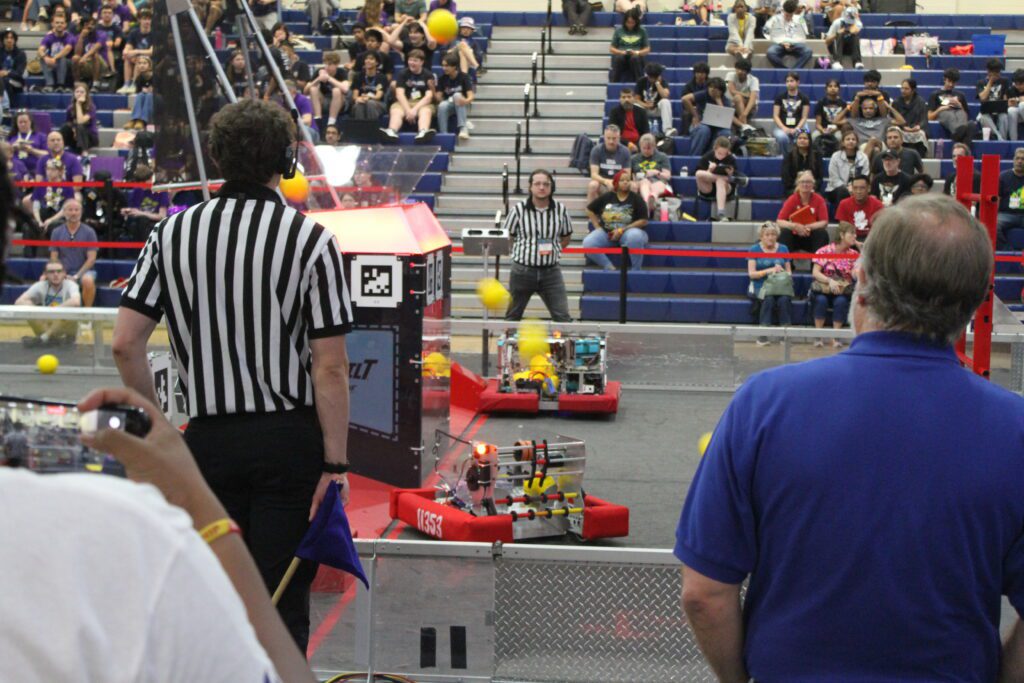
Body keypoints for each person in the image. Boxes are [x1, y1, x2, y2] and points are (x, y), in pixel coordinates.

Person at [677, 193, 1024, 681]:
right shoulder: (1015, 429)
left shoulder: (764, 404)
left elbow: (704, 594)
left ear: (861, 281)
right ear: (975, 300)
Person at [112, 98, 354, 652]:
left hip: (210, 442)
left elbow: (126, 345)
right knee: (278, 607)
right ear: (286, 160)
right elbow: (331, 366)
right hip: (287, 444)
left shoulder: (170, 236)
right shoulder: (311, 240)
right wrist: (335, 464)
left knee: (210, 599)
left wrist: (165, 437)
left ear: (217, 158)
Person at [503, 169, 574, 322]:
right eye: (537, 184)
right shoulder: (518, 210)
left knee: (563, 317)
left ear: (551, 187)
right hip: (522, 271)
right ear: (530, 187)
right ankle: (505, 346)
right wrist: (523, 251)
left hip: (551, 273)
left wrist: (554, 250)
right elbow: (508, 237)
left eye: (546, 184)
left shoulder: (561, 210)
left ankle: (564, 346)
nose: (542, 187)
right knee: (512, 316)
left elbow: (566, 237)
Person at [584, 169, 649, 271]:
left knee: (635, 236)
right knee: (588, 242)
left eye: (628, 180)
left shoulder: (636, 198)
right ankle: (609, 267)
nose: (625, 182)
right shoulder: (607, 197)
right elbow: (589, 210)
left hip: (628, 232)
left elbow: (644, 220)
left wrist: (622, 230)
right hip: (607, 233)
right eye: (622, 180)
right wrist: (597, 226)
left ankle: (636, 270)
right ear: (616, 183)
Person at [808, 221, 857, 347]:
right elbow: (815, 272)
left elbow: (855, 275)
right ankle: (818, 336)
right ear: (841, 235)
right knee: (821, 300)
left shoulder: (853, 255)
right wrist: (830, 281)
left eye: (855, 234)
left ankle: (836, 337)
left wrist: (862, 253)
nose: (855, 236)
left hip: (842, 290)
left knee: (841, 302)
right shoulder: (825, 251)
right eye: (851, 233)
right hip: (824, 287)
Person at [14, 259, 81, 347]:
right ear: (45, 274)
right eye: (51, 272)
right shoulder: (40, 285)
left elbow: (76, 301)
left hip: (66, 328)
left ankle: (45, 338)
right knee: (27, 307)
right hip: (47, 323)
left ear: (64, 273)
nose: (56, 274)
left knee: (69, 310)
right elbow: (18, 302)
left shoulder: (71, 285)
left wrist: (53, 311)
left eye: (59, 271)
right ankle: (51, 339)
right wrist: (38, 311)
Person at [48, 198, 98, 308]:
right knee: (45, 278)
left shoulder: (90, 232)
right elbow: (54, 258)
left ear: (81, 212)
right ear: (64, 212)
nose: (73, 213)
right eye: (70, 210)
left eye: (76, 210)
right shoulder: (56, 232)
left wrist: (76, 276)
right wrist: (62, 274)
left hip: (84, 272)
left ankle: (87, 315)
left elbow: (91, 259)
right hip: (63, 271)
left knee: (88, 280)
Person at [748, 222, 791, 341]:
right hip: (760, 285)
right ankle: (763, 334)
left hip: (780, 285)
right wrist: (769, 270)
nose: (770, 237)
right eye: (767, 234)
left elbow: (789, 272)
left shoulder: (783, 248)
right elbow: (752, 274)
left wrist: (782, 273)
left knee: (784, 300)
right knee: (769, 299)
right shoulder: (754, 249)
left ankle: (786, 334)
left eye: (773, 234)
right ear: (761, 236)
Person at [381, 48, 436, 142]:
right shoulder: (403, 73)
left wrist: (414, 110)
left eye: (415, 60)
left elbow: (428, 97)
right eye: (410, 60)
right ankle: (392, 131)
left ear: (422, 62)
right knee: (396, 111)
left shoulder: (428, 75)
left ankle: (423, 132)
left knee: (425, 111)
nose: (412, 63)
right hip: (405, 101)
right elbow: (399, 94)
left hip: (421, 103)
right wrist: (408, 110)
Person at [835, 96, 904, 161]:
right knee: (875, 150)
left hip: (881, 145)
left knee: (873, 140)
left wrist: (888, 107)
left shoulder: (883, 120)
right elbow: (836, 121)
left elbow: (901, 121)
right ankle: (871, 172)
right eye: (865, 108)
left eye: (871, 108)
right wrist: (849, 107)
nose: (868, 110)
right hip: (862, 147)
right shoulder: (855, 120)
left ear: (875, 109)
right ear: (861, 109)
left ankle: (861, 167)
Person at [777, 169, 829, 253]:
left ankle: (817, 265)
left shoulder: (819, 199)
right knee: (784, 233)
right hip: (794, 236)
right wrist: (795, 226)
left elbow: (824, 222)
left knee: (822, 233)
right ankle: (788, 265)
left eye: (808, 182)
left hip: (811, 235)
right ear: (798, 184)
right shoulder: (792, 199)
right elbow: (779, 221)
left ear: (813, 184)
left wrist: (807, 227)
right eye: (802, 182)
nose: (805, 184)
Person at [928, 68, 978, 146]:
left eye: (953, 82)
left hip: (958, 114)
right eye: (949, 81)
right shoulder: (935, 94)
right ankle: (959, 132)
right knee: (948, 115)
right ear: (944, 80)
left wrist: (960, 106)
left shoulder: (960, 95)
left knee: (964, 117)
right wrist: (941, 108)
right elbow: (929, 117)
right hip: (943, 113)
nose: (951, 84)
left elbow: (966, 116)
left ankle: (959, 134)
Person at [695, 136, 738, 223]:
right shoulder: (708, 156)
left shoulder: (731, 159)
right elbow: (699, 174)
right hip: (708, 188)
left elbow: (734, 179)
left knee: (721, 181)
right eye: (719, 153)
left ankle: (721, 213)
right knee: (698, 173)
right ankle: (720, 178)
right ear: (714, 149)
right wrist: (710, 170)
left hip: (725, 188)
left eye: (724, 154)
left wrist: (730, 173)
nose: (721, 157)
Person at [684, 76, 730, 156]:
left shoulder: (725, 100)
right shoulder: (703, 94)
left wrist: (718, 100)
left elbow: (725, 118)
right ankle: (694, 157)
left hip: (717, 128)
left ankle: (714, 158)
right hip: (701, 124)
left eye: (716, 88)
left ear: (721, 91)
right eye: (711, 87)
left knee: (726, 133)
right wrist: (695, 115)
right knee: (704, 130)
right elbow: (685, 99)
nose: (712, 89)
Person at [120, 163, 168, 240]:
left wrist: (141, 213)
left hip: (154, 223)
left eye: (144, 185)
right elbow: (135, 211)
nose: (143, 188)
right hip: (139, 223)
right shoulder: (137, 190)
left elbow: (162, 216)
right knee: (136, 223)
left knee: (143, 220)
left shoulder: (161, 191)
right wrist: (128, 212)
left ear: (151, 179)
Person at [587, 124, 631, 203]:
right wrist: (606, 181)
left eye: (614, 139)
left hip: (619, 182)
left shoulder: (625, 151)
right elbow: (593, 175)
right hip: (602, 183)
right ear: (604, 137)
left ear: (619, 138)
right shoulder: (596, 150)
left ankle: (629, 213)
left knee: (633, 186)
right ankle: (592, 213)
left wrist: (616, 183)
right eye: (608, 138)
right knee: (592, 185)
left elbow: (627, 174)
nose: (611, 141)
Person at [631, 133, 671, 214]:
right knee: (644, 182)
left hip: (658, 181)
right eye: (644, 148)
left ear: (654, 147)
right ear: (640, 147)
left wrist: (656, 172)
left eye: (649, 148)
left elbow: (667, 176)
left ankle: (652, 198)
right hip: (641, 181)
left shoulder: (662, 157)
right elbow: (630, 175)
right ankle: (647, 202)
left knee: (657, 185)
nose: (646, 151)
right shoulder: (634, 158)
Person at [825, 128, 868, 205]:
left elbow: (865, 175)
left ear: (857, 142)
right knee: (842, 192)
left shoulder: (863, 157)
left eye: (853, 139)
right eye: (848, 139)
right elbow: (834, 178)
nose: (851, 141)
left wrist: (855, 188)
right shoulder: (835, 156)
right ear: (843, 142)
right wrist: (847, 188)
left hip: (858, 188)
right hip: (836, 189)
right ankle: (841, 216)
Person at [764, 0, 811, 70]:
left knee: (808, 51)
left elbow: (805, 33)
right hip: (779, 44)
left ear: (794, 12)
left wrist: (792, 42)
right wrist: (782, 42)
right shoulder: (775, 19)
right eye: (786, 15)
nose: (788, 17)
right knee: (770, 52)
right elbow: (765, 31)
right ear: (783, 11)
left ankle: (795, 70)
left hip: (796, 44)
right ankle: (785, 70)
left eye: (790, 15)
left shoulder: (800, 19)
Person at [306, 51, 349, 128]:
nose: (326, 67)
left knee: (336, 90)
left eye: (329, 64)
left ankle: (331, 122)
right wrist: (318, 79)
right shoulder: (320, 71)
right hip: (324, 100)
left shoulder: (342, 72)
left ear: (336, 65)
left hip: (339, 101)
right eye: (325, 64)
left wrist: (329, 78)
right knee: (313, 89)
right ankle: (318, 118)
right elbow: (305, 91)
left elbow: (345, 89)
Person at [771, 71, 810, 155]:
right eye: (787, 81)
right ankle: (786, 157)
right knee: (782, 137)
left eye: (791, 81)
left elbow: (804, 117)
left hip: (799, 125)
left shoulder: (804, 98)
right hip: (782, 126)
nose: (789, 83)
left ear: (798, 82)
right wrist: (784, 128)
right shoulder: (780, 97)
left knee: (803, 137)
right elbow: (775, 115)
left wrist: (797, 128)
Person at [436, 52, 473, 139]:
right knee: (442, 105)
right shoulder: (442, 78)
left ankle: (463, 129)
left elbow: (471, 96)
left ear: (454, 66)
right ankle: (443, 134)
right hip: (450, 104)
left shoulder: (464, 77)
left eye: (447, 66)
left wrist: (465, 101)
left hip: (463, 104)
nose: (444, 68)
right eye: (443, 65)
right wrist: (433, 89)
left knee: (457, 95)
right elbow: (439, 98)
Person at [835, 173, 882, 241]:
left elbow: (879, 230)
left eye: (862, 188)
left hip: (870, 239)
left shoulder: (878, 205)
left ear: (869, 189)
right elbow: (843, 228)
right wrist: (855, 242)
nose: (858, 191)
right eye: (855, 188)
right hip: (850, 239)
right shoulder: (843, 204)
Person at [636, 62, 675, 138]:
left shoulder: (662, 82)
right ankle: (638, 130)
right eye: (651, 77)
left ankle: (667, 130)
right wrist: (646, 105)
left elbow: (665, 96)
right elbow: (636, 99)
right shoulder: (641, 81)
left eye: (655, 77)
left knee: (665, 102)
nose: (652, 79)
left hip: (657, 109)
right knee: (635, 105)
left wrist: (657, 83)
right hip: (644, 110)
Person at [609, 9, 648, 84]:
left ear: (636, 22)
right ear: (625, 21)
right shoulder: (618, 30)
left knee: (635, 58)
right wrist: (621, 52)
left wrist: (637, 52)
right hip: (622, 57)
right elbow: (611, 48)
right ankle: (614, 84)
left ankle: (640, 85)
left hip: (636, 58)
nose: (630, 25)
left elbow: (647, 49)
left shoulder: (642, 31)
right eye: (628, 22)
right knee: (618, 58)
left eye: (633, 23)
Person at [38, 14, 75, 92]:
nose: (59, 25)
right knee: (42, 58)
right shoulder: (49, 37)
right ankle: (49, 84)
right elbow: (40, 50)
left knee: (62, 58)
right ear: (53, 24)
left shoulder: (69, 36)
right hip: (53, 63)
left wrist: (54, 58)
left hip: (68, 64)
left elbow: (68, 49)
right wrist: (45, 57)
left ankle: (60, 85)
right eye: (57, 23)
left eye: (62, 23)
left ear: (65, 25)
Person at [893, 78, 929, 158]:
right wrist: (903, 127)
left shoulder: (920, 102)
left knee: (921, 134)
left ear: (913, 90)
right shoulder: (896, 102)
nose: (903, 91)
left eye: (906, 89)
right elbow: (893, 119)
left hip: (916, 129)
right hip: (901, 129)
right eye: (902, 88)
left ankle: (920, 158)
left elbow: (924, 119)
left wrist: (917, 127)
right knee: (894, 132)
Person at [976, 58, 1011, 141]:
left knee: (1004, 117)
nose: (997, 75)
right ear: (988, 71)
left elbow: (1005, 99)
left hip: (1000, 111)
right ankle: (1000, 140)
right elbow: (983, 98)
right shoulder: (981, 82)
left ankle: (1002, 139)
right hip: (986, 112)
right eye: (995, 72)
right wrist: (990, 82)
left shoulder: (1004, 81)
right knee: (983, 117)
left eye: (998, 72)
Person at [72, 16, 114, 85]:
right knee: (75, 58)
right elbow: (77, 53)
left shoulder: (101, 34)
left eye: (92, 24)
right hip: (86, 64)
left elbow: (96, 47)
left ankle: (95, 83)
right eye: (87, 25)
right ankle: (77, 83)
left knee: (95, 55)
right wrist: (81, 38)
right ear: (82, 26)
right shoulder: (79, 36)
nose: (90, 26)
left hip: (102, 65)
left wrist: (84, 57)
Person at [996, 147, 1024, 250]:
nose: (1020, 161)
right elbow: (997, 198)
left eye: (1023, 159)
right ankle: (1006, 251)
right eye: (1017, 158)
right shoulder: (1003, 177)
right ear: (1013, 160)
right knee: (994, 225)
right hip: (1007, 214)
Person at [120, 9, 152, 94]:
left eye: (149, 19)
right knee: (127, 57)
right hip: (138, 57)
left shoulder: (155, 33)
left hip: (151, 59)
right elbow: (128, 47)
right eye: (145, 19)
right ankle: (127, 84)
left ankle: (134, 84)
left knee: (139, 58)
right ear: (139, 20)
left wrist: (136, 52)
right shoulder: (134, 33)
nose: (147, 21)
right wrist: (126, 52)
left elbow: (152, 51)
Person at [60, 81, 99, 154]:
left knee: (80, 126)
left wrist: (78, 104)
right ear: (74, 94)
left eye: (82, 92)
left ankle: (84, 153)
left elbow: (80, 121)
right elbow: (68, 123)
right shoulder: (70, 108)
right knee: (65, 127)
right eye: (77, 92)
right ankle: (59, 150)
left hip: (90, 138)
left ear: (86, 94)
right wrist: (73, 130)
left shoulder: (91, 107)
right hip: (76, 137)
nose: (79, 94)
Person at [350, 50, 389, 121]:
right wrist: (358, 99)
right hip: (362, 101)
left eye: (371, 59)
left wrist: (368, 97)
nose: (368, 61)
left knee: (370, 103)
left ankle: (372, 130)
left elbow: (378, 96)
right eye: (366, 59)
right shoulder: (358, 76)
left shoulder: (381, 77)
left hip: (378, 103)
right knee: (359, 104)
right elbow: (355, 96)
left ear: (377, 62)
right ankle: (360, 130)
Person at [608, 88, 649, 153]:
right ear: (620, 99)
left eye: (629, 97)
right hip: (620, 144)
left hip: (639, 144)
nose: (626, 100)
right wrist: (628, 144)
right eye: (623, 97)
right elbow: (612, 133)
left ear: (634, 99)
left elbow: (646, 132)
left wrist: (638, 145)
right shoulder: (614, 112)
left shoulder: (642, 112)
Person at [780, 129, 820, 195]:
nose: (802, 140)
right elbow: (786, 177)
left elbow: (819, 177)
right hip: (793, 189)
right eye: (800, 138)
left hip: (812, 189)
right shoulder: (789, 156)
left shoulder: (817, 156)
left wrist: (810, 187)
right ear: (796, 140)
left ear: (809, 141)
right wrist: (798, 187)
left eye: (805, 138)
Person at [725, 57, 758, 132]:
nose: (740, 71)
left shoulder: (754, 80)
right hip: (734, 105)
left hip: (749, 108)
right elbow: (732, 91)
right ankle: (745, 126)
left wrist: (744, 114)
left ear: (747, 71)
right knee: (737, 97)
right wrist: (746, 94)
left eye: (743, 70)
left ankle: (744, 126)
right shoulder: (730, 75)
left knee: (738, 97)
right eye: (738, 69)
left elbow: (753, 98)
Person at [813, 78, 845, 149]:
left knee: (839, 137)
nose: (833, 88)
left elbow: (844, 122)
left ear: (839, 89)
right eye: (830, 86)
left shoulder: (843, 103)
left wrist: (835, 129)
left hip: (837, 129)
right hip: (823, 128)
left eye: (835, 86)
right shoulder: (820, 103)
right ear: (826, 89)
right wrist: (822, 130)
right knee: (814, 136)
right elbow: (817, 123)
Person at [680, 62, 709, 135]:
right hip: (692, 109)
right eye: (698, 72)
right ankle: (686, 135)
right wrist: (694, 110)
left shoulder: (711, 85)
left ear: (706, 74)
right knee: (686, 114)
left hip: (707, 109)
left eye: (702, 73)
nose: (700, 75)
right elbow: (684, 103)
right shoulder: (688, 86)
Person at [0, 29, 27, 105]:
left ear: (15, 40)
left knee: (5, 81)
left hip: (17, 82)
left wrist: (7, 73)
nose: (9, 40)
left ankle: (6, 108)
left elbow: (19, 73)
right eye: (7, 38)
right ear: (2, 40)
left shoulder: (21, 54)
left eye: (11, 38)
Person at [1008, 69, 1024, 141]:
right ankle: (1013, 140)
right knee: (1011, 110)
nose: (1018, 87)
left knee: (1022, 105)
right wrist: (1009, 104)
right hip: (1019, 114)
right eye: (1016, 84)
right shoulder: (1012, 90)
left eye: (1020, 84)